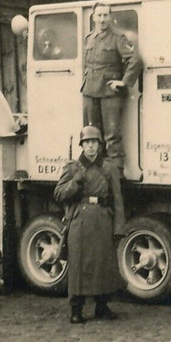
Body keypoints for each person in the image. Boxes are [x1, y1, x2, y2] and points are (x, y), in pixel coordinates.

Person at [53, 125, 126, 324]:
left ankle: (102, 305)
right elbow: (58, 193)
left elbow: (117, 199)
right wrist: (75, 182)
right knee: (78, 264)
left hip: (102, 218)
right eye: (87, 142)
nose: (91, 146)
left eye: (94, 142)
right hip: (80, 220)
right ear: (82, 145)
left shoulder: (109, 168)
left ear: (100, 145)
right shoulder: (73, 167)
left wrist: (119, 227)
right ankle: (76, 308)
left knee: (103, 263)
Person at [81, 2, 143, 165]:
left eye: (105, 15)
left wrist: (123, 82)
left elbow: (135, 60)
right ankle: (94, 172)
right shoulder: (89, 38)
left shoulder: (118, 38)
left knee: (112, 135)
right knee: (91, 134)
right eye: (99, 15)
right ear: (93, 17)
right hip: (89, 91)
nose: (102, 19)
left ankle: (116, 175)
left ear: (110, 17)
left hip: (109, 93)